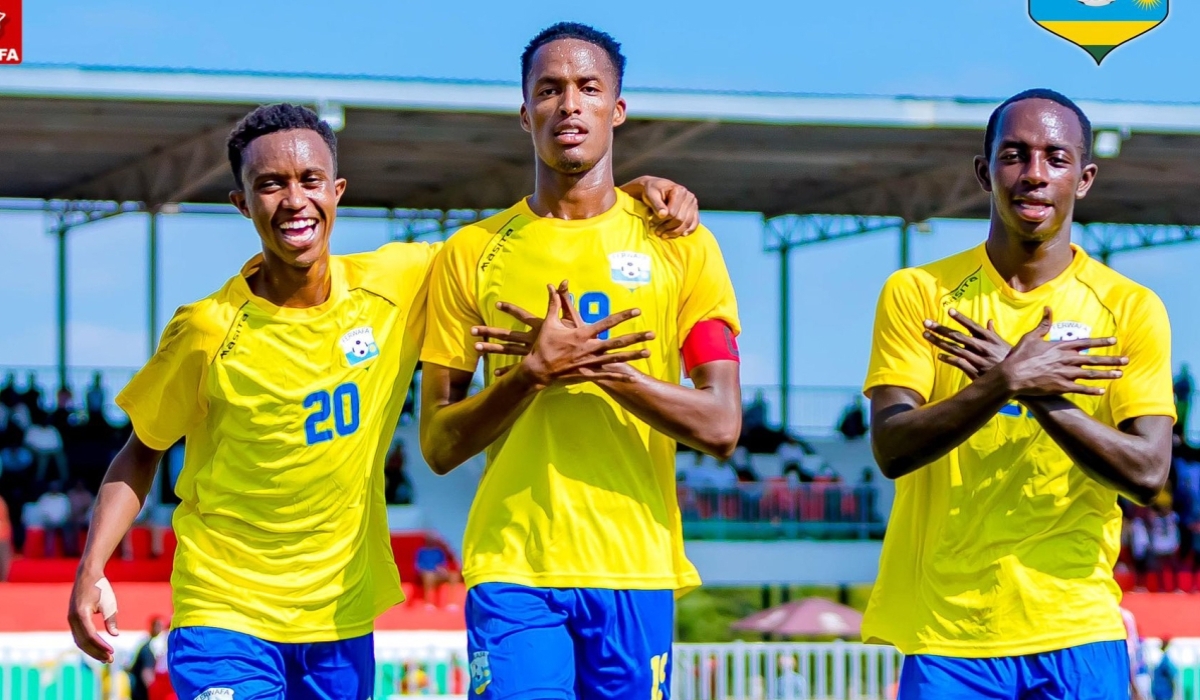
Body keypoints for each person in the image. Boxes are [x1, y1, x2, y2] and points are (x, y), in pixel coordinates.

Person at [66, 101, 702, 697]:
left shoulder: (399, 281)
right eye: (270, 185)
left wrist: (631, 189)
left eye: (311, 179)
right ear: (241, 202)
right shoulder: (204, 330)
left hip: (341, 618)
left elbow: (526, 233)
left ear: (337, 192)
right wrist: (91, 568)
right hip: (224, 609)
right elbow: (139, 453)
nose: (295, 200)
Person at [420, 22, 742, 699]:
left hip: (635, 568)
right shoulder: (470, 253)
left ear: (616, 110)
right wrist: (531, 374)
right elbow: (439, 443)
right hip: (514, 566)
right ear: (524, 112)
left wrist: (600, 366)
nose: (569, 104)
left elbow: (720, 426)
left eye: (588, 88)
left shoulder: (682, 246)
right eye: (549, 89)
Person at [864, 89, 1175, 699]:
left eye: (1056, 158)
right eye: (1015, 155)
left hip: (1076, 630)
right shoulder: (920, 294)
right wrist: (1003, 382)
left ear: (1083, 179)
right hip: (949, 636)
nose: (1034, 175)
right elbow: (892, 448)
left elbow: (1147, 470)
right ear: (985, 172)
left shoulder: (1131, 308)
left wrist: (1033, 391)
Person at [414, 535, 461, 608]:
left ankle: (452, 603)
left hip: (438, 573)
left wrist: (442, 569)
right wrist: (428, 570)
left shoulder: (439, 552)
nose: (431, 541)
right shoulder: (421, 551)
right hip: (426, 573)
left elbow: (443, 564)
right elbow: (418, 566)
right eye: (429, 539)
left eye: (432, 539)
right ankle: (428, 603)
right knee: (429, 576)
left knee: (454, 575)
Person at [128, 616, 167, 700]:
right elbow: (146, 673)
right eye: (158, 626)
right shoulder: (149, 647)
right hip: (142, 694)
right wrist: (155, 691)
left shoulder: (147, 645)